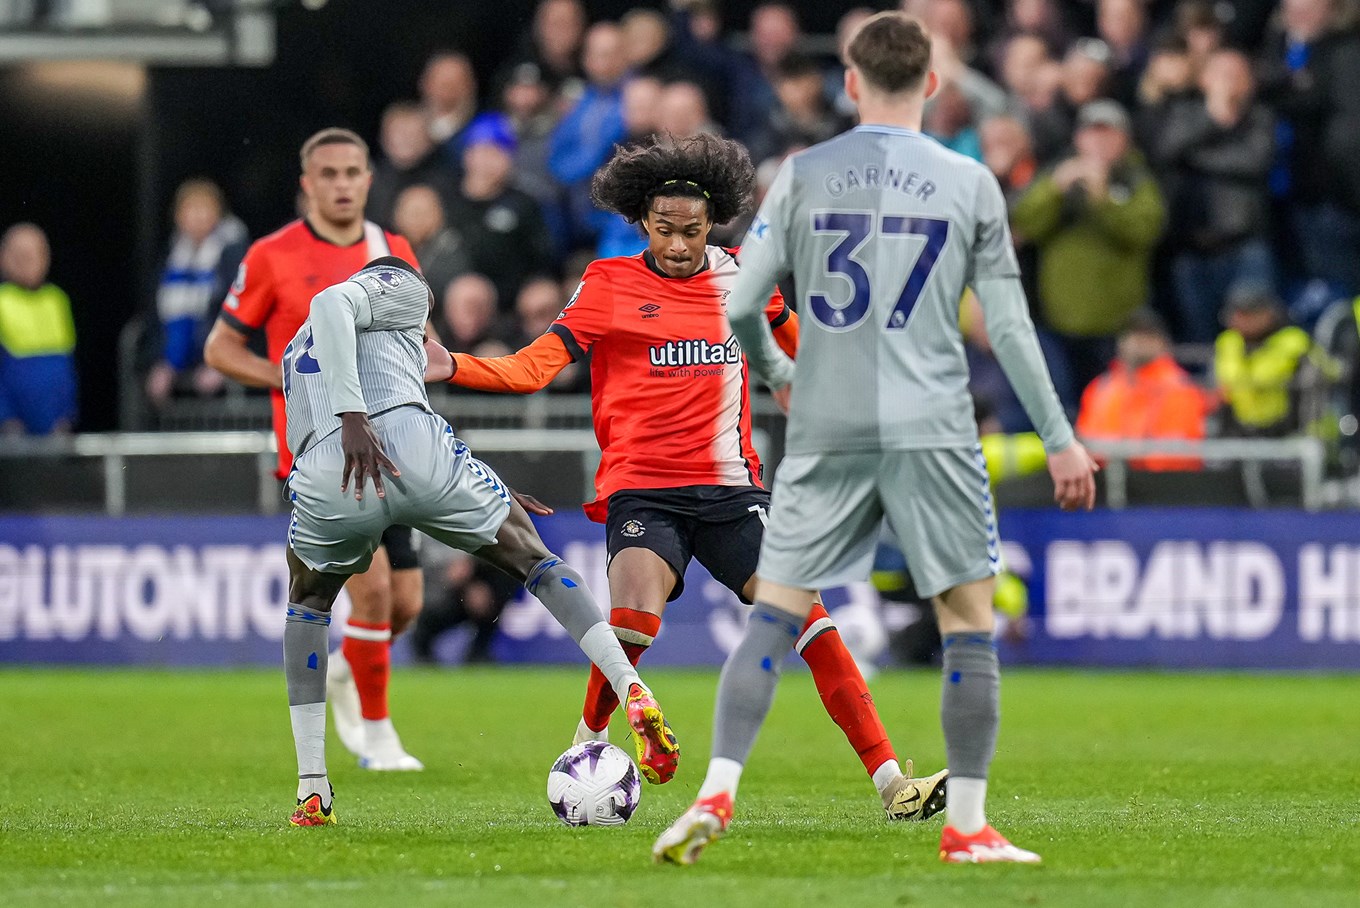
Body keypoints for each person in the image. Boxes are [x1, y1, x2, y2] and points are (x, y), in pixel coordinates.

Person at [653, 12, 1097, 866]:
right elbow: (1007, 325)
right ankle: (966, 826)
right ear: (932, 84)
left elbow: (741, 303)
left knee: (775, 615)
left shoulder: (805, 173)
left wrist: (782, 377)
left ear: (850, 83)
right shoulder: (969, 182)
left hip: (828, 419)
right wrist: (1061, 438)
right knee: (968, 623)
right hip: (932, 423)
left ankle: (715, 792)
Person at [437, 133, 948, 820]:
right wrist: (456, 366)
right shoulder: (608, 285)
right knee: (633, 619)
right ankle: (585, 748)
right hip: (643, 488)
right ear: (642, 222)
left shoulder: (744, 278)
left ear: (713, 225)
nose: (679, 245)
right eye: (665, 230)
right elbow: (533, 368)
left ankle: (893, 786)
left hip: (733, 491)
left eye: (692, 231)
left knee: (809, 617)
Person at [280, 257, 677, 825]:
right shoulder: (398, 284)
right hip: (382, 436)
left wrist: (484, 483)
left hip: (328, 475)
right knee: (535, 559)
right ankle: (630, 685)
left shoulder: (299, 351)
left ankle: (312, 788)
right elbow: (330, 301)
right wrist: (354, 416)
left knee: (308, 605)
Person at [203, 128, 426, 772]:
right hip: (319, 448)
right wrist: (296, 372)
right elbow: (221, 348)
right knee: (374, 590)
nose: (341, 185)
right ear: (307, 184)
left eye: (352, 172)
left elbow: (418, 335)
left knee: (404, 604)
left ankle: (345, 675)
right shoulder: (272, 256)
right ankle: (378, 737)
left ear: (367, 179)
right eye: (327, 174)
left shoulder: (393, 250)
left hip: (393, 444)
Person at [1011, 99, 1166, 401]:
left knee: (1114, 403)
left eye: (1109, 133)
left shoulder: (1136, 179)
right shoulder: (1058, 173)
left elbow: (1144, 231)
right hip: (1056, 321)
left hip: (1116, 324)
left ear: (1125, 139)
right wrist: (1053, 189)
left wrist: (1102, 199)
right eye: (1092, 133)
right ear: (1078, 138)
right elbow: (1022, 223)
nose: (1100, 141)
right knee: (1063, 403)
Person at [144, 179, 247, 409]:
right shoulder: (171, 256)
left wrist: (222, 361)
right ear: (178, 216)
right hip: (178, 358)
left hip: (220, 356)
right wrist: (160, 361)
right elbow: (155, 314)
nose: (197, 216)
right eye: (190, 209)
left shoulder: (232, 253)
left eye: (204, 208)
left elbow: (240, 311)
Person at [1076, 310, 1208, 470]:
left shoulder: (1181, 390)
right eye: (1133, 334)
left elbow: (1181, 454)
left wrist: (1128, 457)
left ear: (1163, 343)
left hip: (1164, 487)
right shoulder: (1101, 388)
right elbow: (1084, 443)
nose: (1138, 342)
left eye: (1148, 335)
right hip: (1104, 484)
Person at [0, 223, 77, 435]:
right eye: (22, 255)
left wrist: (67, 413)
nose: (31, 261)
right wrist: (4, 417)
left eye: (37, 253)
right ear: (4, 258)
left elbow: (66, 366)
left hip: (54, 428)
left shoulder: (57, 300)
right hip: (11, 431)